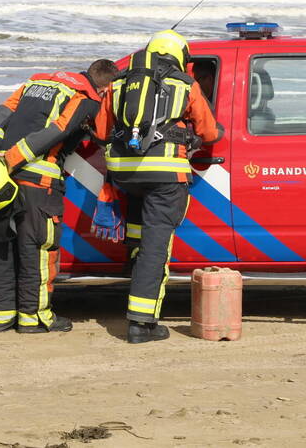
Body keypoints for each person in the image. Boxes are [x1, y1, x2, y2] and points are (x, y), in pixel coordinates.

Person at [93, 30, 222, 343]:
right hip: (164, 176)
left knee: (138, 235)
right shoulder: (184, 84)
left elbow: (100, 130)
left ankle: (131, 276)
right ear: (178, 55)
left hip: (124, 174)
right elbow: (208, 132)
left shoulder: (120, 82)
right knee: (156, 246)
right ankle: (141, 323)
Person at [0, 59, 119, 333]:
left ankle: (0, 317)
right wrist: (13, 158)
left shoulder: (36, 81)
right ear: (104, 89)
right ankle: (35, 318)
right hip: (38, 182)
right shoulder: (85, 98)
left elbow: (3, 111)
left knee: (2, 248)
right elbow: (60, 129)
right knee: (39, 250)